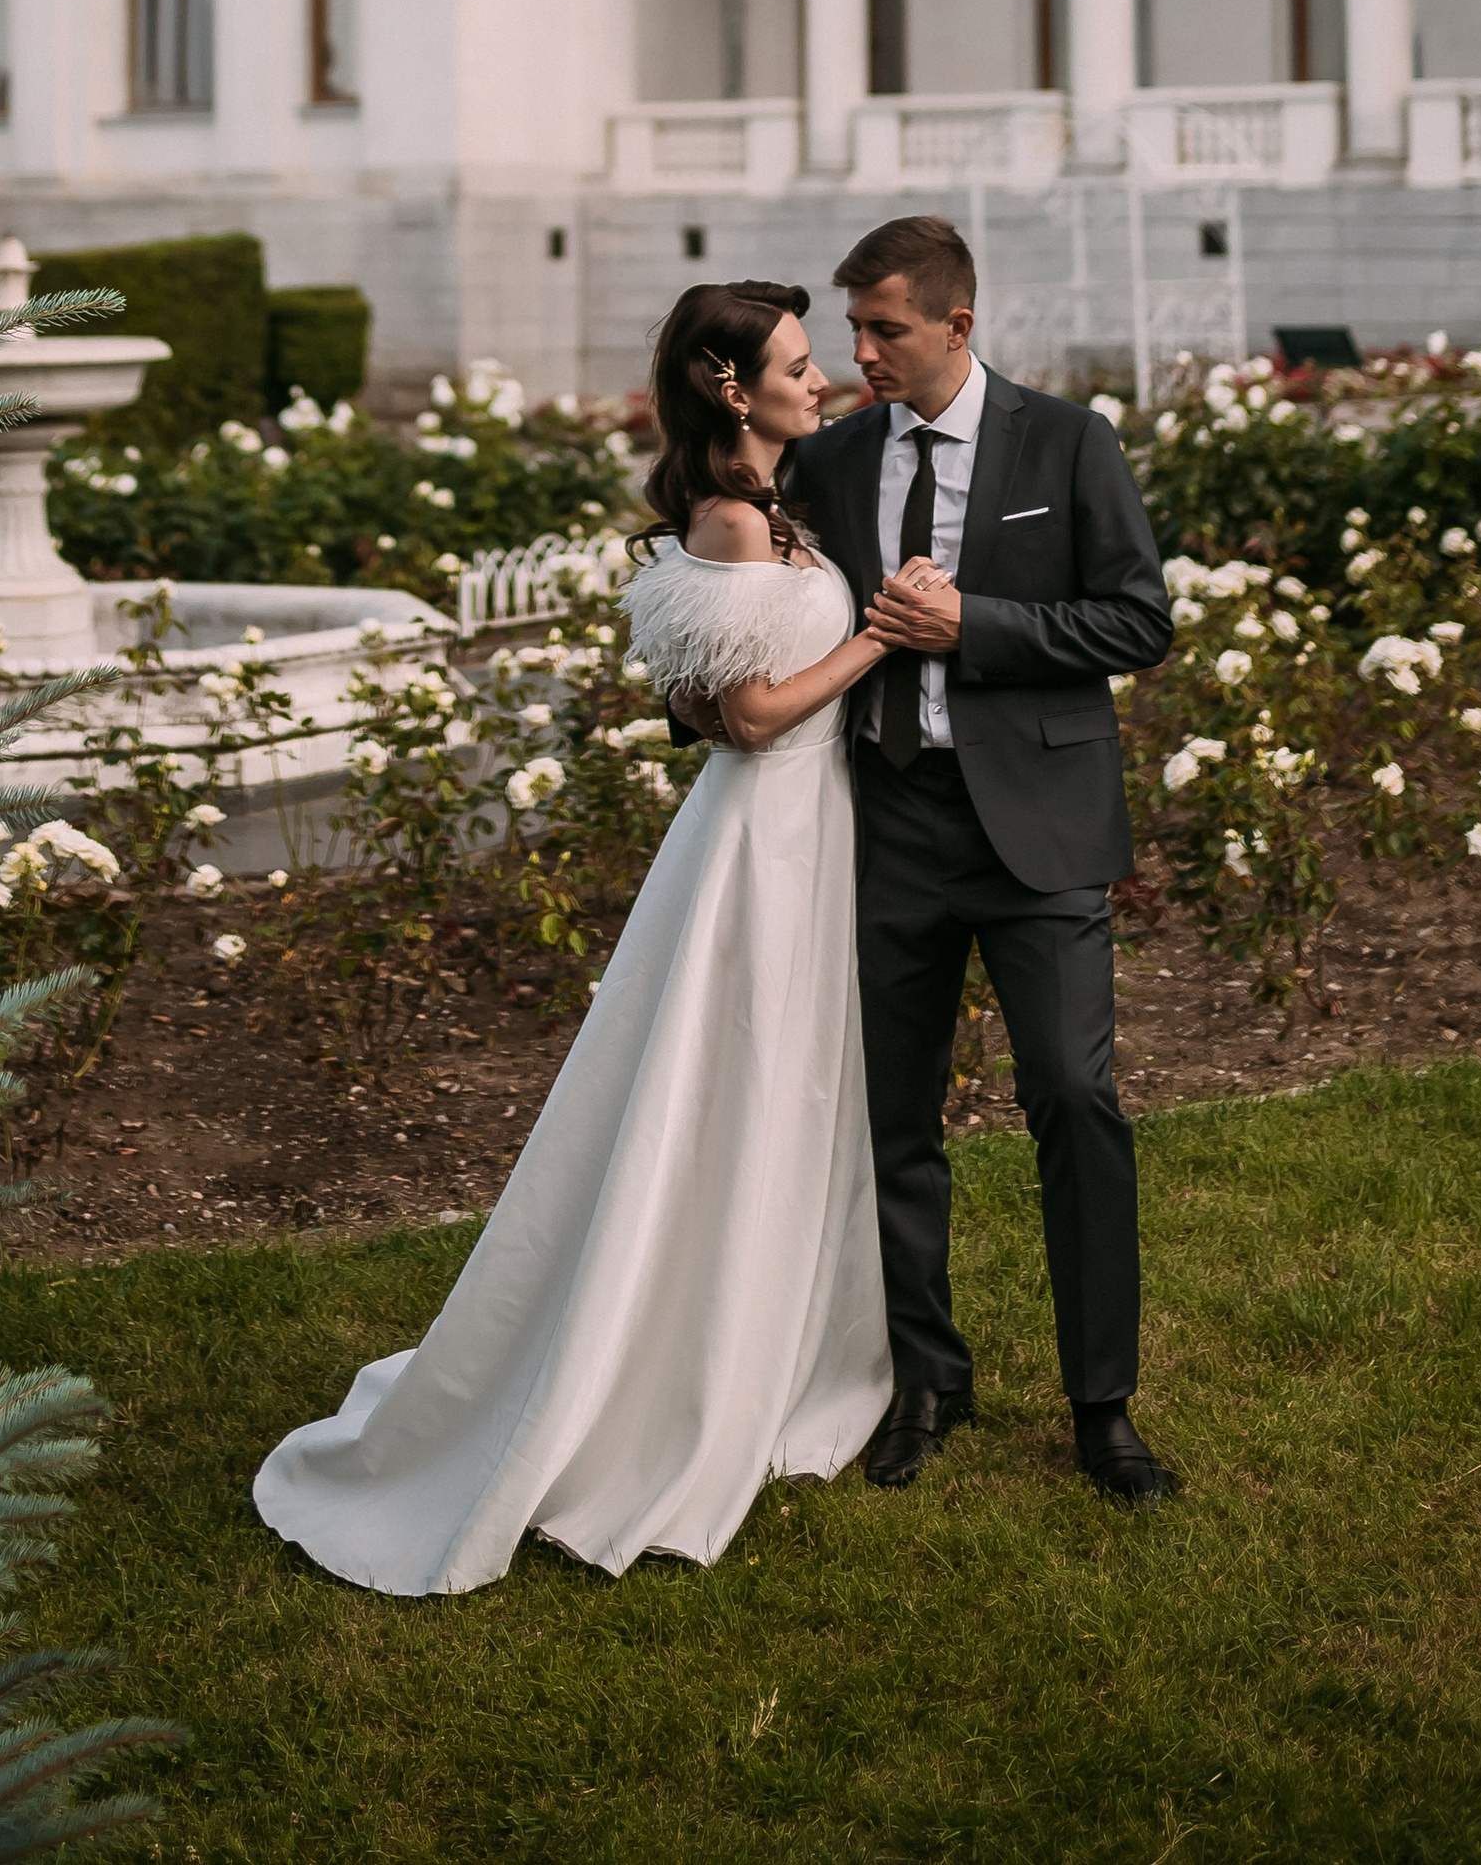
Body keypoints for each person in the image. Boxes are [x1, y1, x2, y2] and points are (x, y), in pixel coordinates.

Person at [252, 282, 894, 1594]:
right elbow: (746, 715)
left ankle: (780, 1353)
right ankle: (669, 1386)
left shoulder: (774, 504)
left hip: (812, 837)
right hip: (760, 846)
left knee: (794, 1094)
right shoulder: (727, 520)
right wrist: (879, 636)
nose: (820, 376)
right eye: (797, 361)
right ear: (733, 388)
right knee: (735, 1093)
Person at [781, 212, 1178, 1507]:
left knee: (1074, 1097)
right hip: (885, 823)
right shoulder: (832, 463)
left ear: (958, 324)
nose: (863, 352)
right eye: (853, 330)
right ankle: (925, 1381)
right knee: (895, 1122)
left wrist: (973, 624)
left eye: (885, 328)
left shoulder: (1070, 444)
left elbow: (1135, 619)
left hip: (1038, 837)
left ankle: (1101, 1405)